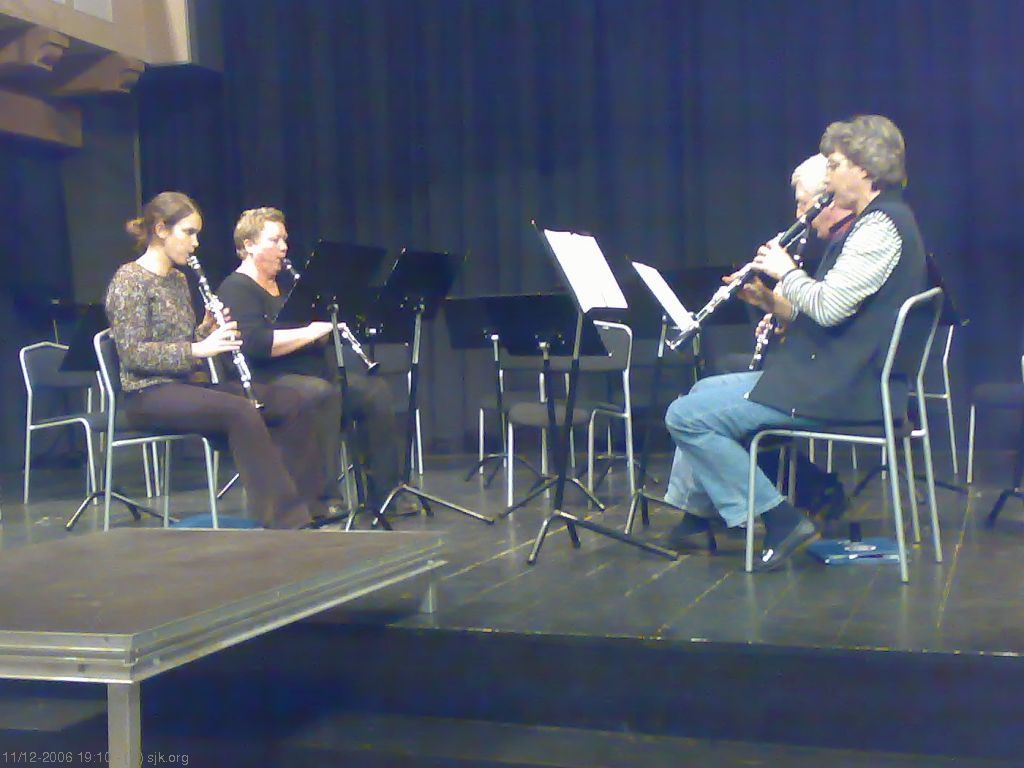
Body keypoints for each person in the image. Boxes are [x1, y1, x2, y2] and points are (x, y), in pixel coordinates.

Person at [663, 115, 929, 571]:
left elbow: (827, 307)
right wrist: (773, 301)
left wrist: (786, 271)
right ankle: (702, 518)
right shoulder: (878, 221)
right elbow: (830, 311)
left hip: (844, 388)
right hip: (834, 377)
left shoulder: (881, 227)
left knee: (684, 416)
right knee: (703, 392)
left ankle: (779, 519)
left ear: (865, 169)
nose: (829, 176)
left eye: (836, 165)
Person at [105, 191, 326, 528]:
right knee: (240, 410)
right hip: (147, 394)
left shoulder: (177, 280)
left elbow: (181, 340)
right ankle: (286, 519)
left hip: (186, 387)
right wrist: (198, 349)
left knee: (289, 401)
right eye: (188, 233)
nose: (195, 243)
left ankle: (312, 506)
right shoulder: (129, 281)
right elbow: (134, 353)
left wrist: (206, 328)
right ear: (161, 230)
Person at [216, 207, 404, 511]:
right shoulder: (236, 288)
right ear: (249, 245)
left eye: (284, 240)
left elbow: (308, 331)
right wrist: (310, 331)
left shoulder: (288, 286)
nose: (283, 248)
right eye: (274, 240)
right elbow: (255, 344)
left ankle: (386, 497)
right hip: (265, 380)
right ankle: (321, 500)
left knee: (373, 391)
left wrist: (329, 324)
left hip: (309, 372)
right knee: (320, 394)